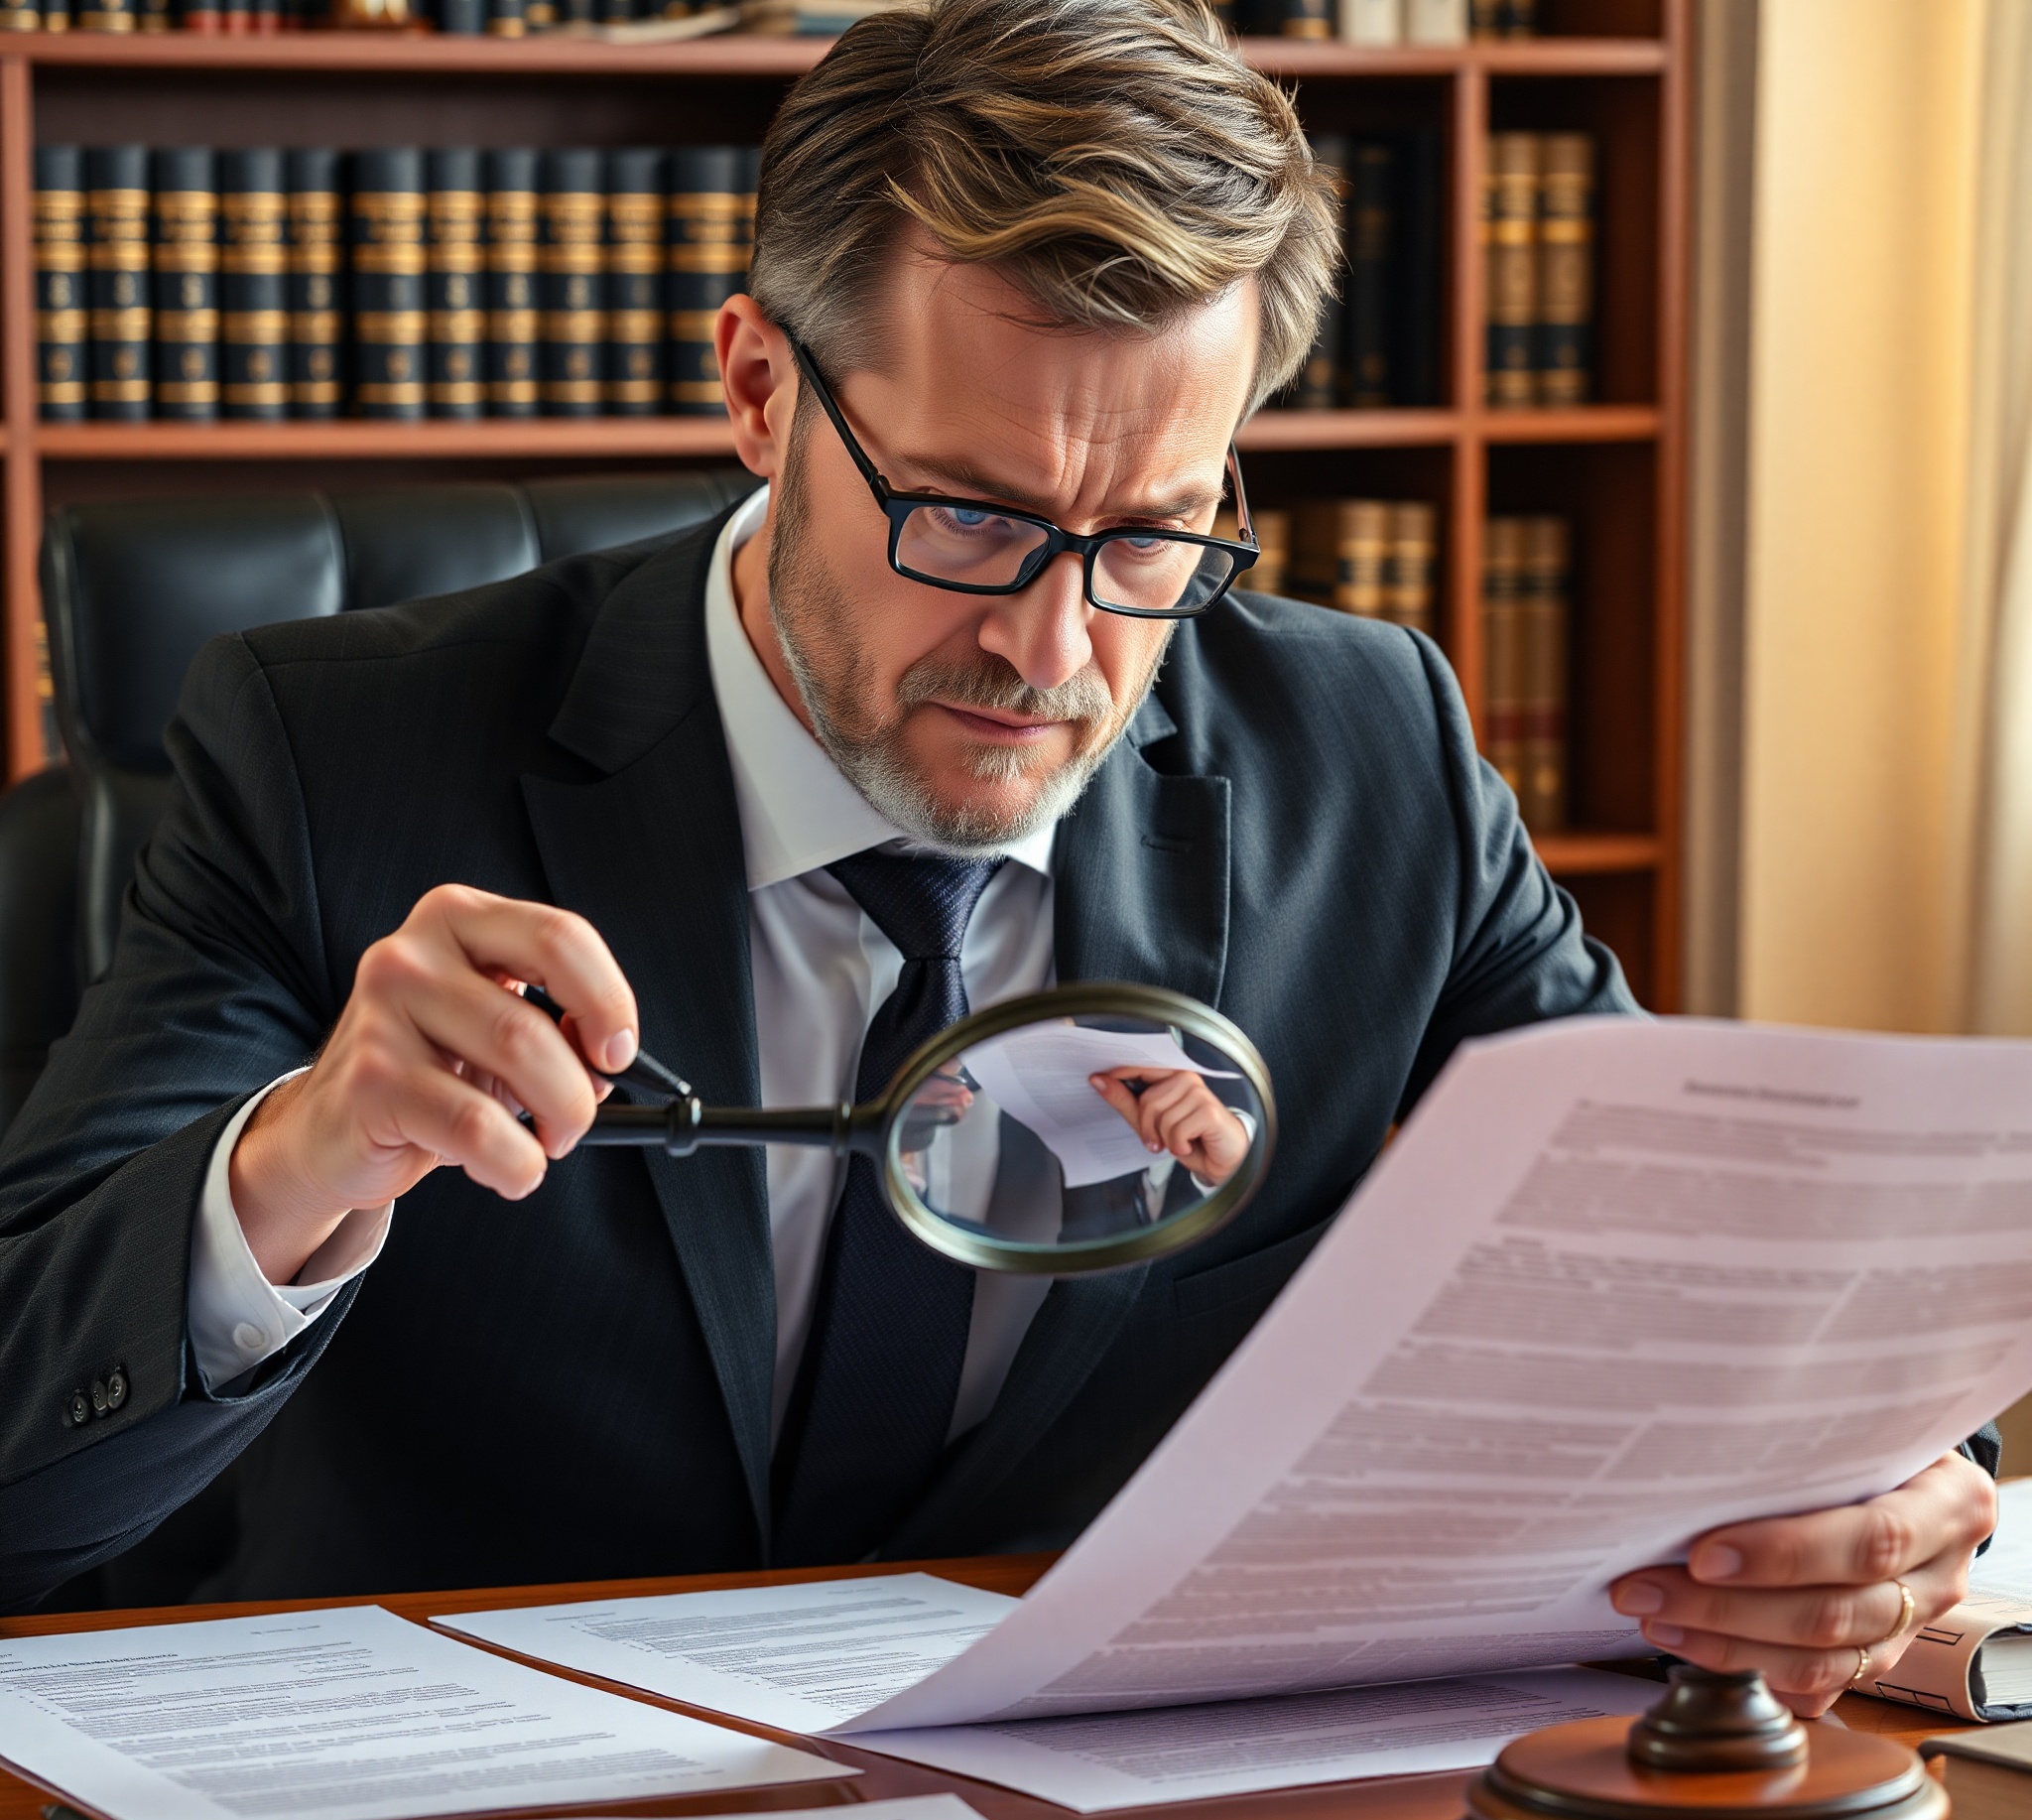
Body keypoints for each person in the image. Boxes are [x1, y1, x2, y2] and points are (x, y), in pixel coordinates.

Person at [0, 0, 1994, 1713]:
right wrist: (300, 1168)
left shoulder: (1366, 750)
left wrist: (1872, 1473)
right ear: (763, 391)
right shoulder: (338, 752)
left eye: (1153, 536)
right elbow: (25, 1460)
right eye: (964, 514)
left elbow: (1698, 1271)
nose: (1052, 655)